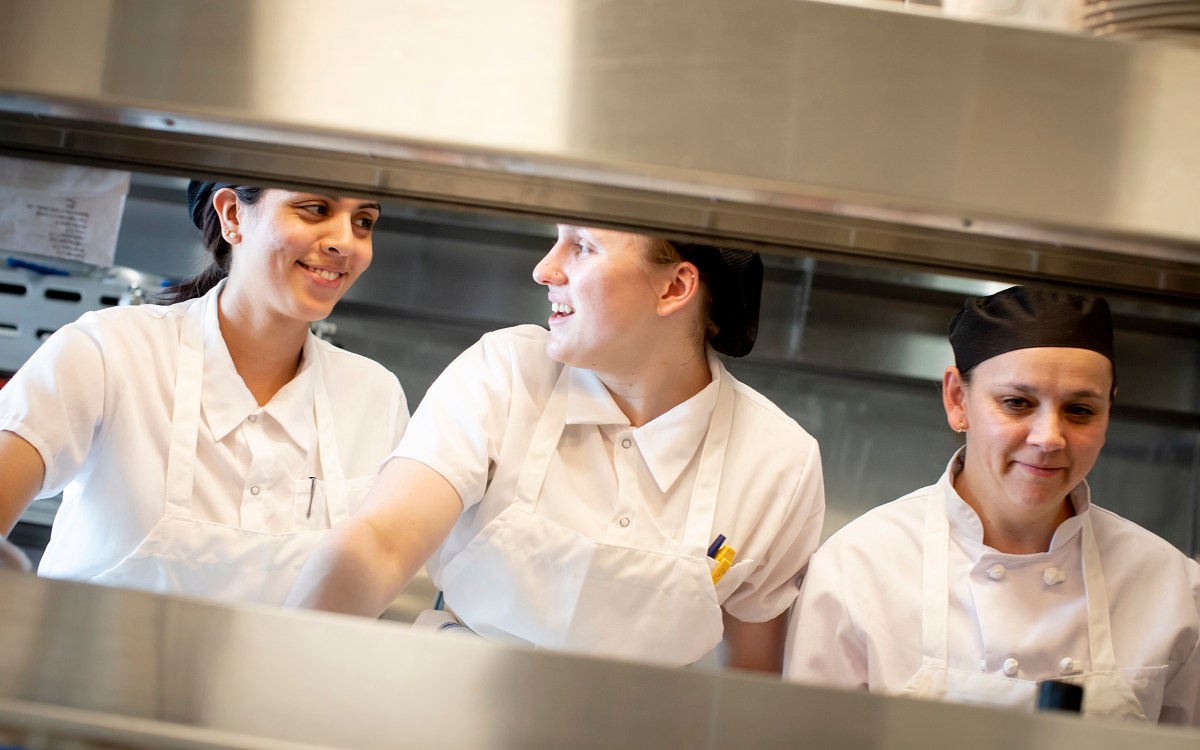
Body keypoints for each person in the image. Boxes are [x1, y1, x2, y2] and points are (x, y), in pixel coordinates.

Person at [286, 224, 825, 672]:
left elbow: (752, 681)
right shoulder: (505, 372)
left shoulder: (779, 463)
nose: (545, 269)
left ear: (674, 289)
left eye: (582, 247)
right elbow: (380, 541)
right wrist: (279, 671)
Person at [784, 286, 1200, 723]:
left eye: (1079, 410)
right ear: (957, 399)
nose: (1048, 438)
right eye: (1017, 403)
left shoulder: (1173, 587)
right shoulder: (859, 567)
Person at [0, 181, 409, 603]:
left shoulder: (376, 396)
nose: (347, 243)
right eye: (315, 209)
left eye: (364, 222)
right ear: (233, 215)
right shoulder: (109, 350)